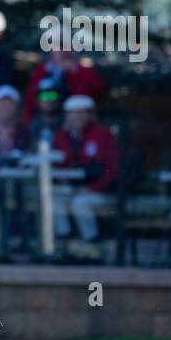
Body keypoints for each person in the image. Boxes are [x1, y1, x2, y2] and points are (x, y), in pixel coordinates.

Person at [53, 95, 119, 256]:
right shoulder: (62, 136)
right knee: (54, 199)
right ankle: (64, 244)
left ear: (90, 114)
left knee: (80, 203)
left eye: (81, 113)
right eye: (72, 113)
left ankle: (91, 246)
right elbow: (59, 163)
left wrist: (92, 188)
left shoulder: (103, 135)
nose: (76, 117)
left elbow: (114, 170)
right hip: (71, 188)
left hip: (99, 192)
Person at [22, 43, 106, 124]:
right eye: (60, 47)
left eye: (68, 47)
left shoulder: (84, 71)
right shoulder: (41, 73)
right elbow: (32, 100)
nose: (65, 51)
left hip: (77, 121)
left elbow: (99, 91)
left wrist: (75, 72)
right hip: (46, 121)